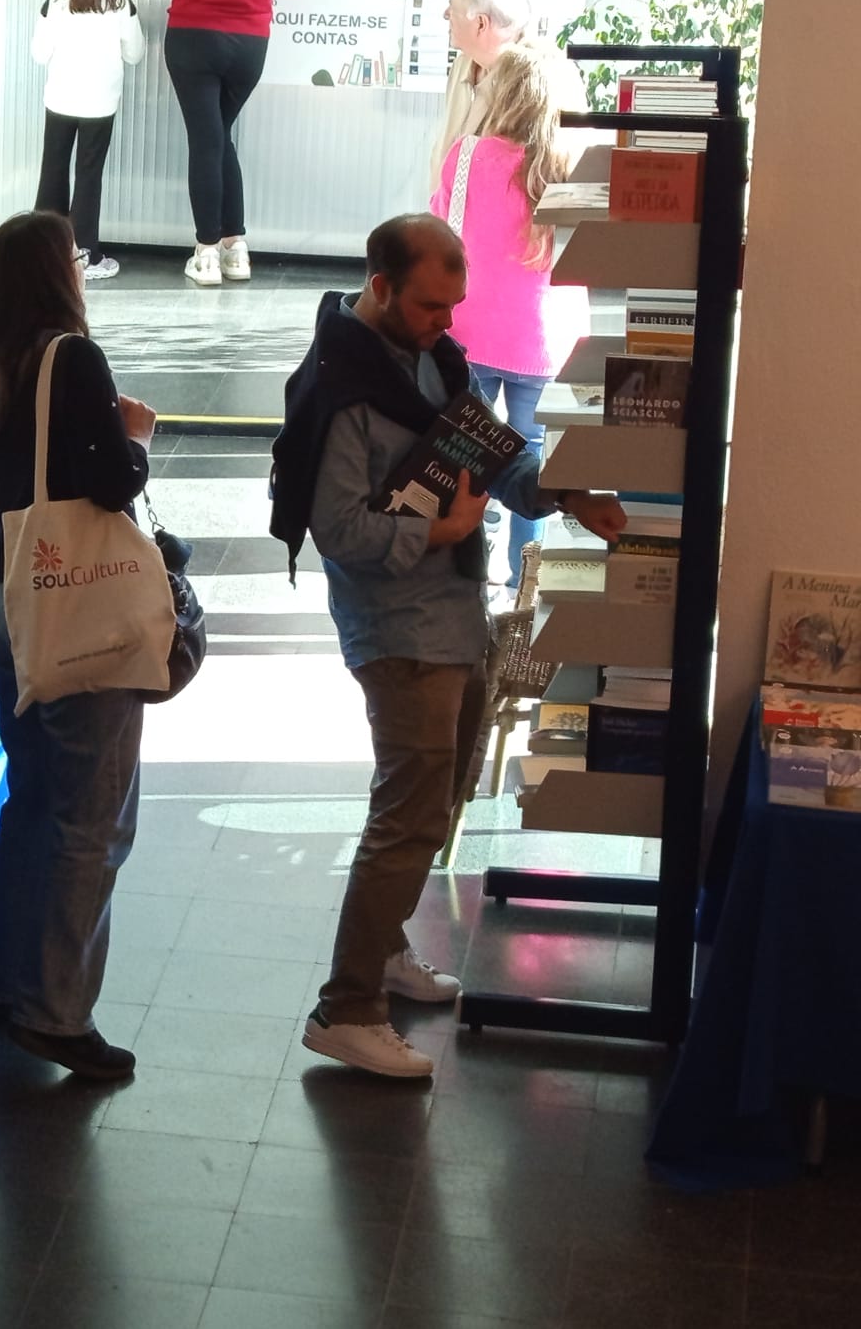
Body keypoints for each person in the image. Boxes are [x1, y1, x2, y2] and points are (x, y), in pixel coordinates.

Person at [268, 215, 626, 1078]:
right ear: (381, 285)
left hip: (455, 618)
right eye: (432, 305)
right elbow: (341, 529)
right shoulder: (335, 388)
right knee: (408, 815)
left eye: (454, 306)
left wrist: (560, 493)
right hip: (398, 633)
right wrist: (441, 530)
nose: (447, 321)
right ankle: (345, 1009)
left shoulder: (435, 359)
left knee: (441, 797)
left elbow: (489, 457)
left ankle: (384, 953)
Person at [0, 210, 156, 1082]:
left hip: (3, 590)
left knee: (33, 795)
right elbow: (110, 481)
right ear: (58, 273)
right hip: (73, 604)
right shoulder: (73, 359)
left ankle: (9, 983)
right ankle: (58, 1012)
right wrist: (136, 437)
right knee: (91, 816)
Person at [429, 41, 589, 588]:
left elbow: (437, 227)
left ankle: (462, 568)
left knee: (466, 451)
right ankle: (528, 583)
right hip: (543, 340)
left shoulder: (467, 155)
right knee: (535, 465)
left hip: (470, 331)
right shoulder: (572, 167)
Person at [157, 0, 327, 286]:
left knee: (208, 141)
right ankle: (236, 248)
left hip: (193, 38)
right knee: (219, 137)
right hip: (249, 45)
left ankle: (207, 253)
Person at [32, 0, 146, 282]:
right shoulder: (121, 4)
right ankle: (85, 254)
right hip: (101, 105)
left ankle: (42, 249)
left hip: (60, 100)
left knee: (53, 170)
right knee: (88, 174)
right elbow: (135, 54)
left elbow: (38, 53)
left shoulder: (55, 2)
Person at [431, 0, 534, 180]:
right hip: (445, 210)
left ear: (480, 24)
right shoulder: (462, 65)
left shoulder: (533, 82)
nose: (445, 15)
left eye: (453, 9)